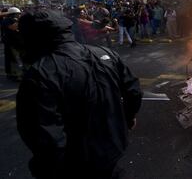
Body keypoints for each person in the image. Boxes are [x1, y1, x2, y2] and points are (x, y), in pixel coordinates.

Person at [16, 9, 142, 179]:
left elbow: (44, 136)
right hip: (112, 151)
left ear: (34, 38)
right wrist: (129, 117)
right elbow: (133, 91)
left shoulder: (39, 75)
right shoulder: (105, 54)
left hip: (75, 165)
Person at [1, 7, 24, 80]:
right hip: (10, 43)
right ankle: (15, 75)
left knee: (15, 59)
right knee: (13, 59)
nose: (19, 15)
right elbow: (13, 28)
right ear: (13, 14)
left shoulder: (13, 20)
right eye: (18, 14)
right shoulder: (7, 21)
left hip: (15, 43)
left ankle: (15, 74)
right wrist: (19, 21)